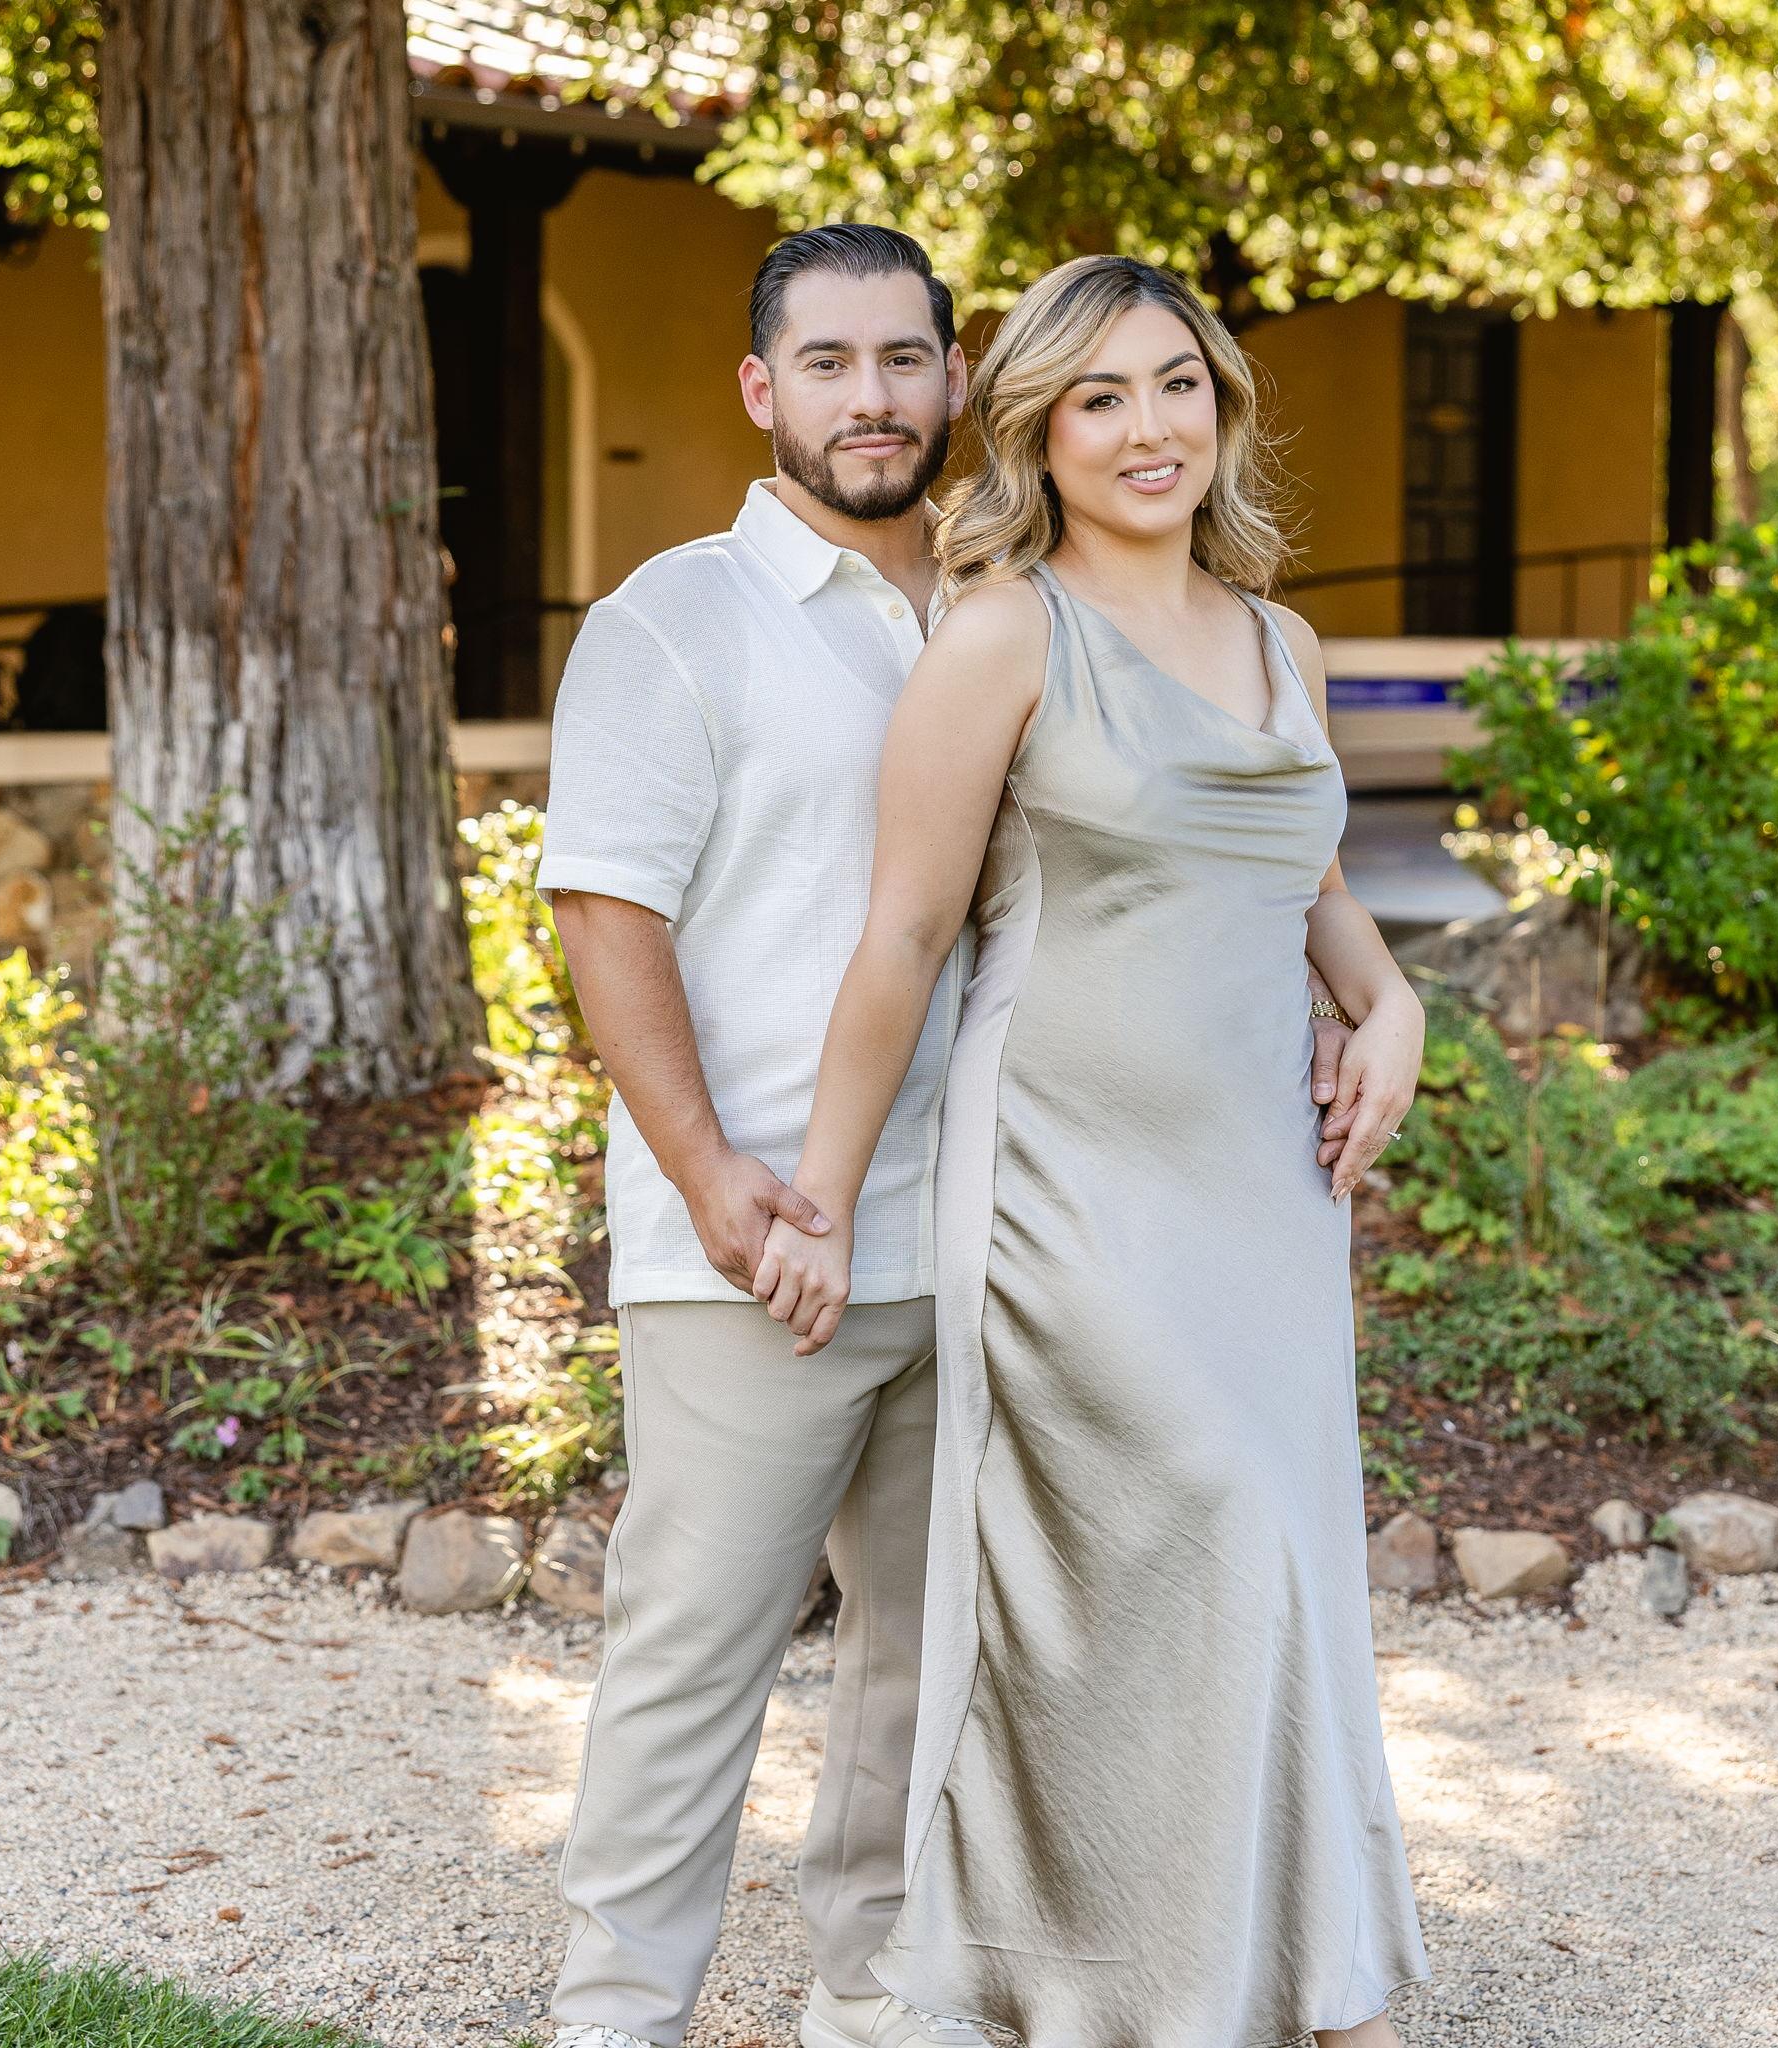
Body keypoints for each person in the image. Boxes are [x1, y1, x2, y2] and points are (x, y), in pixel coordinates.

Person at [750, 254, 1433, 2048]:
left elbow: (1312, 894)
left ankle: (1300, 1974)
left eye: (1177, 385)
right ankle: (1128, 1984)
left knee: (1278, 1561)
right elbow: (906, 936)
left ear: (1223, 406)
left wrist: (1396, 1013)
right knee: (1197, 1534)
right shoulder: (1004, 637)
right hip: (1067, 1183)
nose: (1149, 428)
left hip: (1266, 1194)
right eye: (1100, 397)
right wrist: (822, 1196)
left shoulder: (1280, 642)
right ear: (1039, 433)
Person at [537, 224, 987, 2048]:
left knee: (923, 1661)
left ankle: (871, 1993)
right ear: (760, 389)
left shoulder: (1006, 606)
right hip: (761, 1243)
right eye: (828, 363)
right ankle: (616, 2016)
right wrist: (710, 1174)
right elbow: (604, 912)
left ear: (956, 374)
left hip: (977, 1231)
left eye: (904, 358)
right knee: (693, 1650)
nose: (871, 399)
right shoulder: (678, 618)